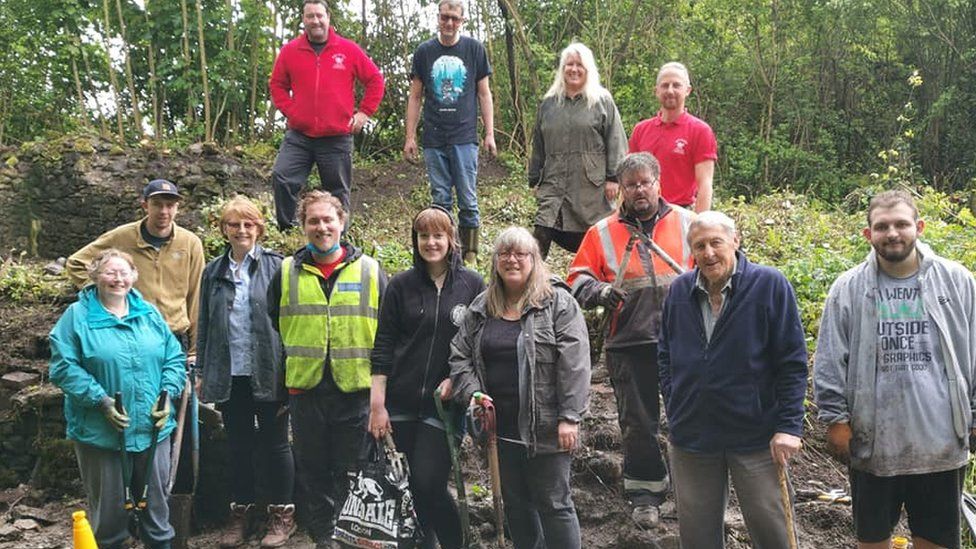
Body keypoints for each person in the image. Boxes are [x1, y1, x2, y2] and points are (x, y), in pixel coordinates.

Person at [814, 190, 976, 549]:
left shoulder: (958, 282)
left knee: (936, 540)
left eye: (901, 224)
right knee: (872, 540)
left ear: (919, 227)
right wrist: (836, 419)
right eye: (882, 226)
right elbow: (829, 359)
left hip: (941, 445)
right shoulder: (848, 289)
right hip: (874, 447)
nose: (892, 233)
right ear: (867, 234)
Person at [658, 211, 807, 547]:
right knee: (697, 537)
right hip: (693, 436)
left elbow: (792, 361)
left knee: (774, 531)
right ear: (691, 251)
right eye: (700, 246)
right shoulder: (679, 291)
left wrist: (789, 426)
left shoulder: (769, 284)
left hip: (756, 435)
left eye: (716, 243)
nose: (709, 253)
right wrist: (676, 401)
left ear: (736, 242)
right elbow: (665, 353)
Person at [565, 152, 694, 527]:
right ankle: (645, 494)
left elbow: (719, 263)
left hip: (684, 342)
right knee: (637, 422)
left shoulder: (688, 223)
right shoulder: (602, 232)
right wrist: (601, 292)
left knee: (688, 417)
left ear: (659, 184)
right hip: (628, 341)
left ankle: (692, 492)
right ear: (620, 190)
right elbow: (575, 279)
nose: (639, 190)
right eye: (631, 184)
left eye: (645, 182)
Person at [450, 227, 590, 549]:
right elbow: (459, 355)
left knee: (555, 504)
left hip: (547, 428)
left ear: (534, 259)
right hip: (499, 430)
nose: (511, 260)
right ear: (495, 260)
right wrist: (472, 393)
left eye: (520, 254)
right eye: (504, 254)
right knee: (516, 507)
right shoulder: (481, 307)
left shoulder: (558, 303)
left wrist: (570, 416)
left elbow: (576, 363)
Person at [267, 190, 387, 548]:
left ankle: (350, 538)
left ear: (342, 222)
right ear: (303, 226)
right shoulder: (286, 271)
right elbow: (276, 322)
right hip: (306, 391)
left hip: (355, 392)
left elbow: (387, 333)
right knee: (313, 473)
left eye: (328, 219)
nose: (322, 227)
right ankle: (324, 539)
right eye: (313, 220)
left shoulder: (371, 270)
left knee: (353, 474)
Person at [49, 249, 186, 549]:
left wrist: (168, 395)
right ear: (95, 275)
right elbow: (62, 367)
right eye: (110, 272)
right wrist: (101, 400)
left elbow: (174, 358)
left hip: (152, 430)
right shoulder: (77, 317)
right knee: (109, 521)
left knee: (157, 515)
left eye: (124, 272)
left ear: (134, 277)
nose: (118, 279)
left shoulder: (148, 313)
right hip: (102, 435)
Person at [368, 206, 485, 549]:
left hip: (444, 405)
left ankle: (457, 543)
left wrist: (456, 379)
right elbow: (383, 345)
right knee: (405, 487)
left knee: (427, 481)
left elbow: (479, 345)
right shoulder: (400, 285)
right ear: (414, 240)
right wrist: (377, 404)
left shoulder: (472, 284)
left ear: (452, 240)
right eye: (424, 236)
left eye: (438, 235)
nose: (431, 242)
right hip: (399, 402)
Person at [195, 196, 295, 548]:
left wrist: (291, 374)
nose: (241, 231)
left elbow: (291, 323)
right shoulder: (213, 271)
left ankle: (282, 516)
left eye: (248, 224)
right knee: (238, 445)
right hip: (230, 371)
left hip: (269, 370)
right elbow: (205, 323)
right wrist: (203, 370)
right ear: (223, 229)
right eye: (234, 224)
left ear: (259, 228)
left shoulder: (278, 266)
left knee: (276, 444)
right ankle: (242, 515)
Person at [269, 0, 385, 230]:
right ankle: (289, 231)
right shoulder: (290, 51)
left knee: (337, 193)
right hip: (300, 135)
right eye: (310, 16)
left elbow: (375, 80)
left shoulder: (348, 49)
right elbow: (277, 85)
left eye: (319, 15)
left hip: (336, 136)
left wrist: (364, 113)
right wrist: (292, 111)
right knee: (282, 177)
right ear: (304, 20)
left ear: (328, 17)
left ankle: (340, 242)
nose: (315, 21)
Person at [65, 179, 205, 359]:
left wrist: (195, 349)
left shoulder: (190, 243)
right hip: (131, 332)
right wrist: (102, 290)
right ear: (145, 206)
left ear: (177, 208)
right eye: (157, 205)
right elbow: (76, 262)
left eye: (169, 205)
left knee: (173, 386)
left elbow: (197, 296)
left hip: (174, 335)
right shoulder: (122, 237)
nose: (164, 211)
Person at [403, 0, 495, 264]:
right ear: (438, 18)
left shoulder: (474, 50)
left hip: (465, 136)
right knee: (440, 199)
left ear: (462, 20)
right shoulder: (424, 52)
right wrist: (410, 136)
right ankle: (445, 254)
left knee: (468, 198)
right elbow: (415, 96)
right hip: (433, 137)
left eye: (454, 18)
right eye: (445, 17)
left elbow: (484, 93)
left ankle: (470, 255)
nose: (449, 23)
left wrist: (489, 133)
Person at [529, 42, 627, 259]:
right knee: (541, 236)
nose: (573, 69)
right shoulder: (548, 104)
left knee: (595, 241)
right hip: (553, 185)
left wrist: (614, 178)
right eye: (569, 64)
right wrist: (535, 178)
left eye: (579, 65)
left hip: (591, 187)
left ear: (588, 70)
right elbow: (538, 144)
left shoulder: (602, 101)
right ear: (562, 69)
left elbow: (616, 140)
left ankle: (596, 285)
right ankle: (530, 286)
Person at [628, 62, 717, 212]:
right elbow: (629, 179)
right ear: (656, 91)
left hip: (680, 214)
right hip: (643, 215)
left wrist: (699, 225)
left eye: (676, 85)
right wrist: (620, 218)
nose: (670, 90)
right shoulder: (640, 130)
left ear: (687, 90)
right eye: (665, 85)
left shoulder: (700, 131)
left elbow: (705, 185)